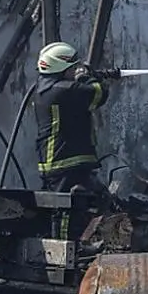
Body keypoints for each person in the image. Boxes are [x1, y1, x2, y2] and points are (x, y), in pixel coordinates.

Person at [33, 41, 115, 199]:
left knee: (96, 201)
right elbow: (99, 93)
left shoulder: (45, 89)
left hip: (60, 164)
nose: (75, 71)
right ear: (61, 68)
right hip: (67, 163)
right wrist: (86, 77)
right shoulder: (64, 90)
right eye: (73, 67)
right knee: (72, 208)